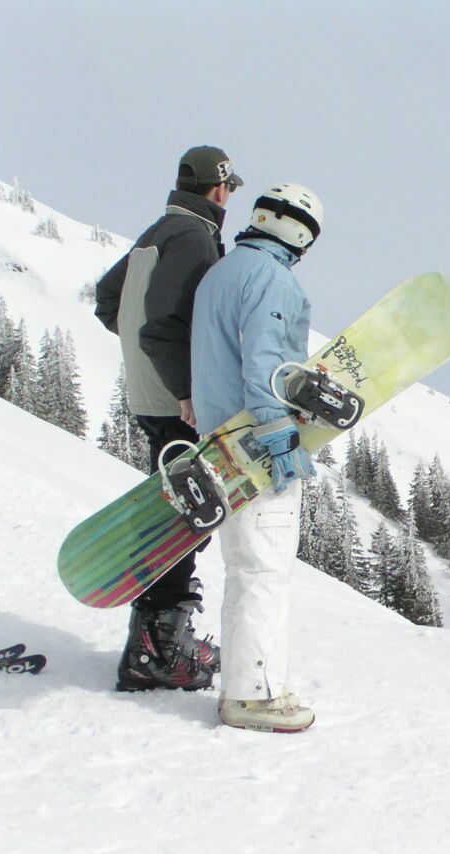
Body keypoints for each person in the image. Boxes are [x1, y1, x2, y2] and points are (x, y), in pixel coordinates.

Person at [95, 146, 243, 693]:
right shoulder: (193, 237)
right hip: (174, 401)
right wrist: (183, 388)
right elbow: (160, 324)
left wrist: (143, 360)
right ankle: (159, 649)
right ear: (221, 188)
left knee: (178, 518)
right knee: (184, 522)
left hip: (150, 393)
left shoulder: (158, 232)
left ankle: (154, 642)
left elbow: (109, 300)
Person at [191, 183, 324, 732]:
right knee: (264, 569)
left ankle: (248, 685)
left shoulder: (222, 271)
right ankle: (252, 695)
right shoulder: (271, 279)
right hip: (253, 450)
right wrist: (278, 435)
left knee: (246, 568)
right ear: (300, 233)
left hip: (219, 444)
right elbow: (265, 362)